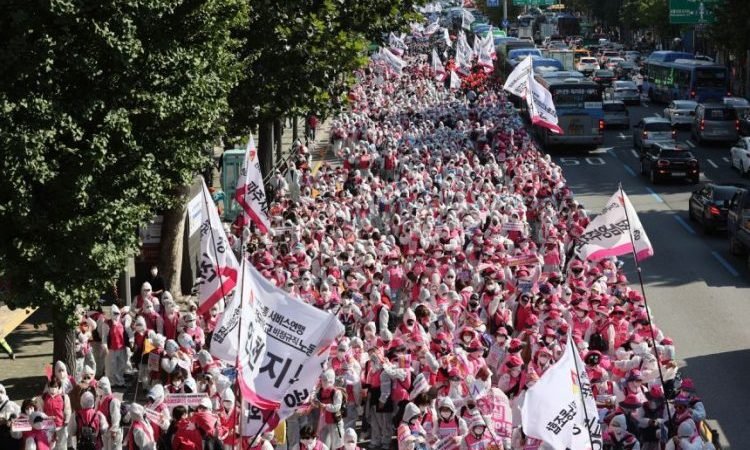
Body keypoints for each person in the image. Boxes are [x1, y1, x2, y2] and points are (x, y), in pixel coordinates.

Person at [101, 305, 128, 388]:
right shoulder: (107, 324)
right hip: (111, 348)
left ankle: (120, 381)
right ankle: (111, 382)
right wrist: (105, 345)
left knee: (122, 365)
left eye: (117, 313)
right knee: (111, 366)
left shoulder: (122, 322)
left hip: (121, 348)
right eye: (114, 313)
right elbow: (104, 336)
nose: (116, 315)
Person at [95, 377, 122, 450]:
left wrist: (114, 430)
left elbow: (116, 416)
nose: (98, 388)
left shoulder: (113, 401)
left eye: (100, 387)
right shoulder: (99, 399)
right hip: (104, 431)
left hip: (112, 431)